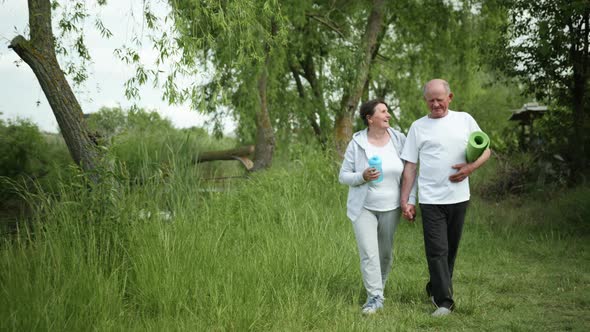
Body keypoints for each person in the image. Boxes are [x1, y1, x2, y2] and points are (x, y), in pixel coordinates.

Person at [399, 79, 491, 317]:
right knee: (436, 250)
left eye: (440, 99)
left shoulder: (465, 120)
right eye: (431, 100)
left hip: (459, 197)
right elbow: (410, 166)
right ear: (425, 101)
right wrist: (405, 200)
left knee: (449, 250)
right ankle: (444, 302)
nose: (436, 104)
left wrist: (471, 168)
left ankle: (434, 286)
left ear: (450, 98)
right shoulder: (418, 127)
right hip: (430, 199)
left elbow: (487, 150)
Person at [339, 99, 416, 315]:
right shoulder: (357, 143)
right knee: (368, 253)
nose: (388, 114)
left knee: (384, 254)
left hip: (391, 207)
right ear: (370, 118)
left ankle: (378, 290)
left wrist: (410, 200)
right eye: (383, 111)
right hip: (364, 207)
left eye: (388, 111)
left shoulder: (399, 140)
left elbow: (411, 173)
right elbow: (343, 176)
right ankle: (374, 297)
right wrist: (361, 176)